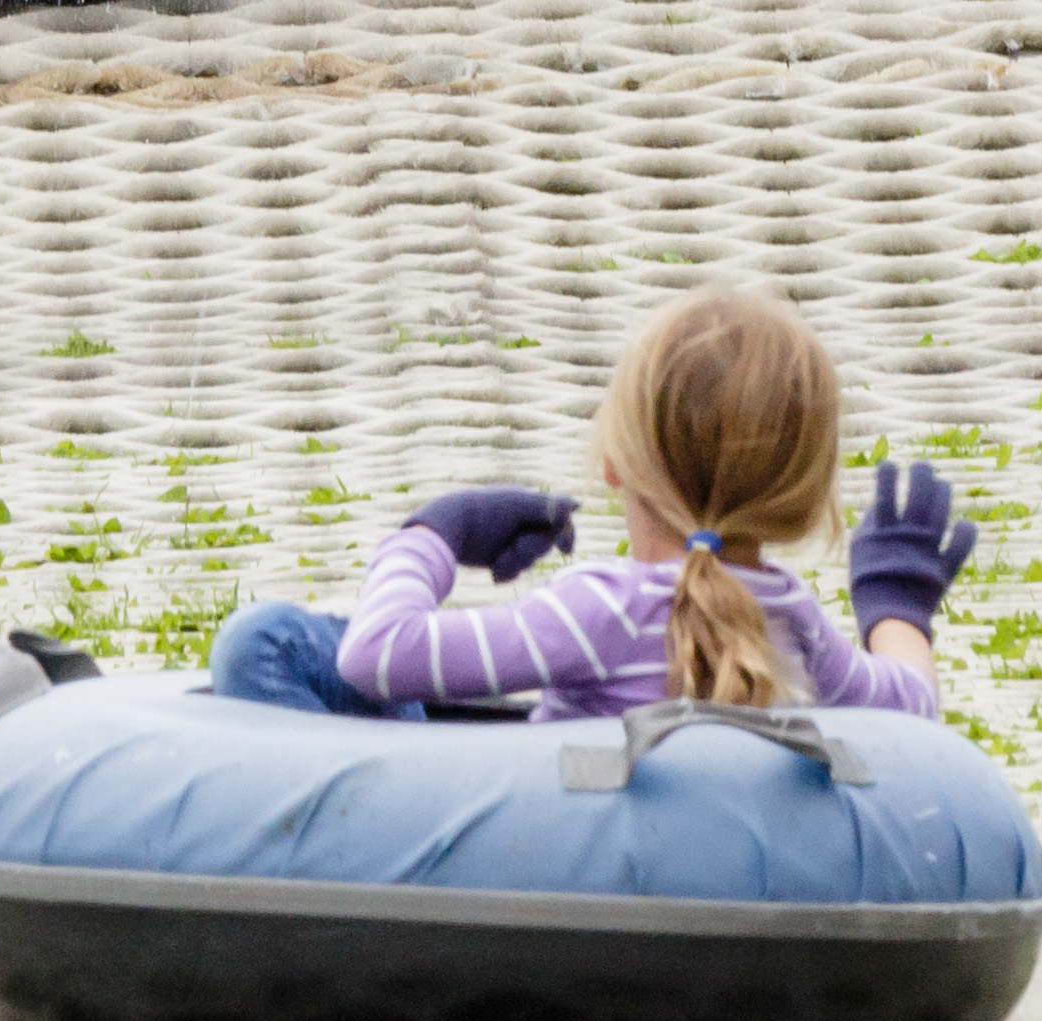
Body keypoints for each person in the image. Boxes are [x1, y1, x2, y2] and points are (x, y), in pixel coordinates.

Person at [191, 289, 974, 722]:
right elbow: (911, 706)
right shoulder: (794, 625)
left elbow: (378, 654)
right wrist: (894, 603)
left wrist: (437, 532)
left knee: (264, 642)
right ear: (800, 499)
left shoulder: (600, 610)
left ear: (614, 464)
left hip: (511, 868)